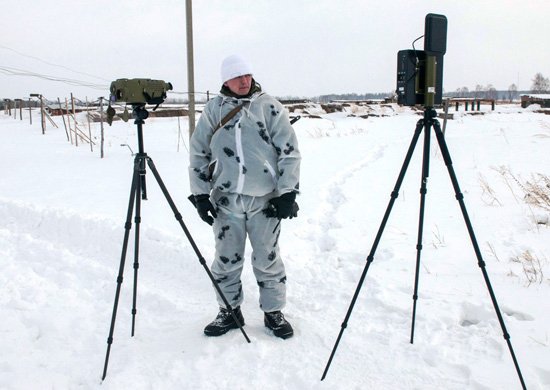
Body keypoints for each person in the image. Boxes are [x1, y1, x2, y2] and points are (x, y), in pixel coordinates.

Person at [188, 55, 301, 339]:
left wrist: (287, 192)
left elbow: (289, 152)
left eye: (248, 75)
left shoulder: (269, 107)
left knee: (268, 258)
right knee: (226, 259)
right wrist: (200, 195)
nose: (244, 81)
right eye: (238, 77)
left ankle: (273, 312)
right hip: (226, 200)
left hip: (265, 201)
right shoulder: (214, 110)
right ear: (225, 80)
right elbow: (199, 153)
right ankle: (229, 310)